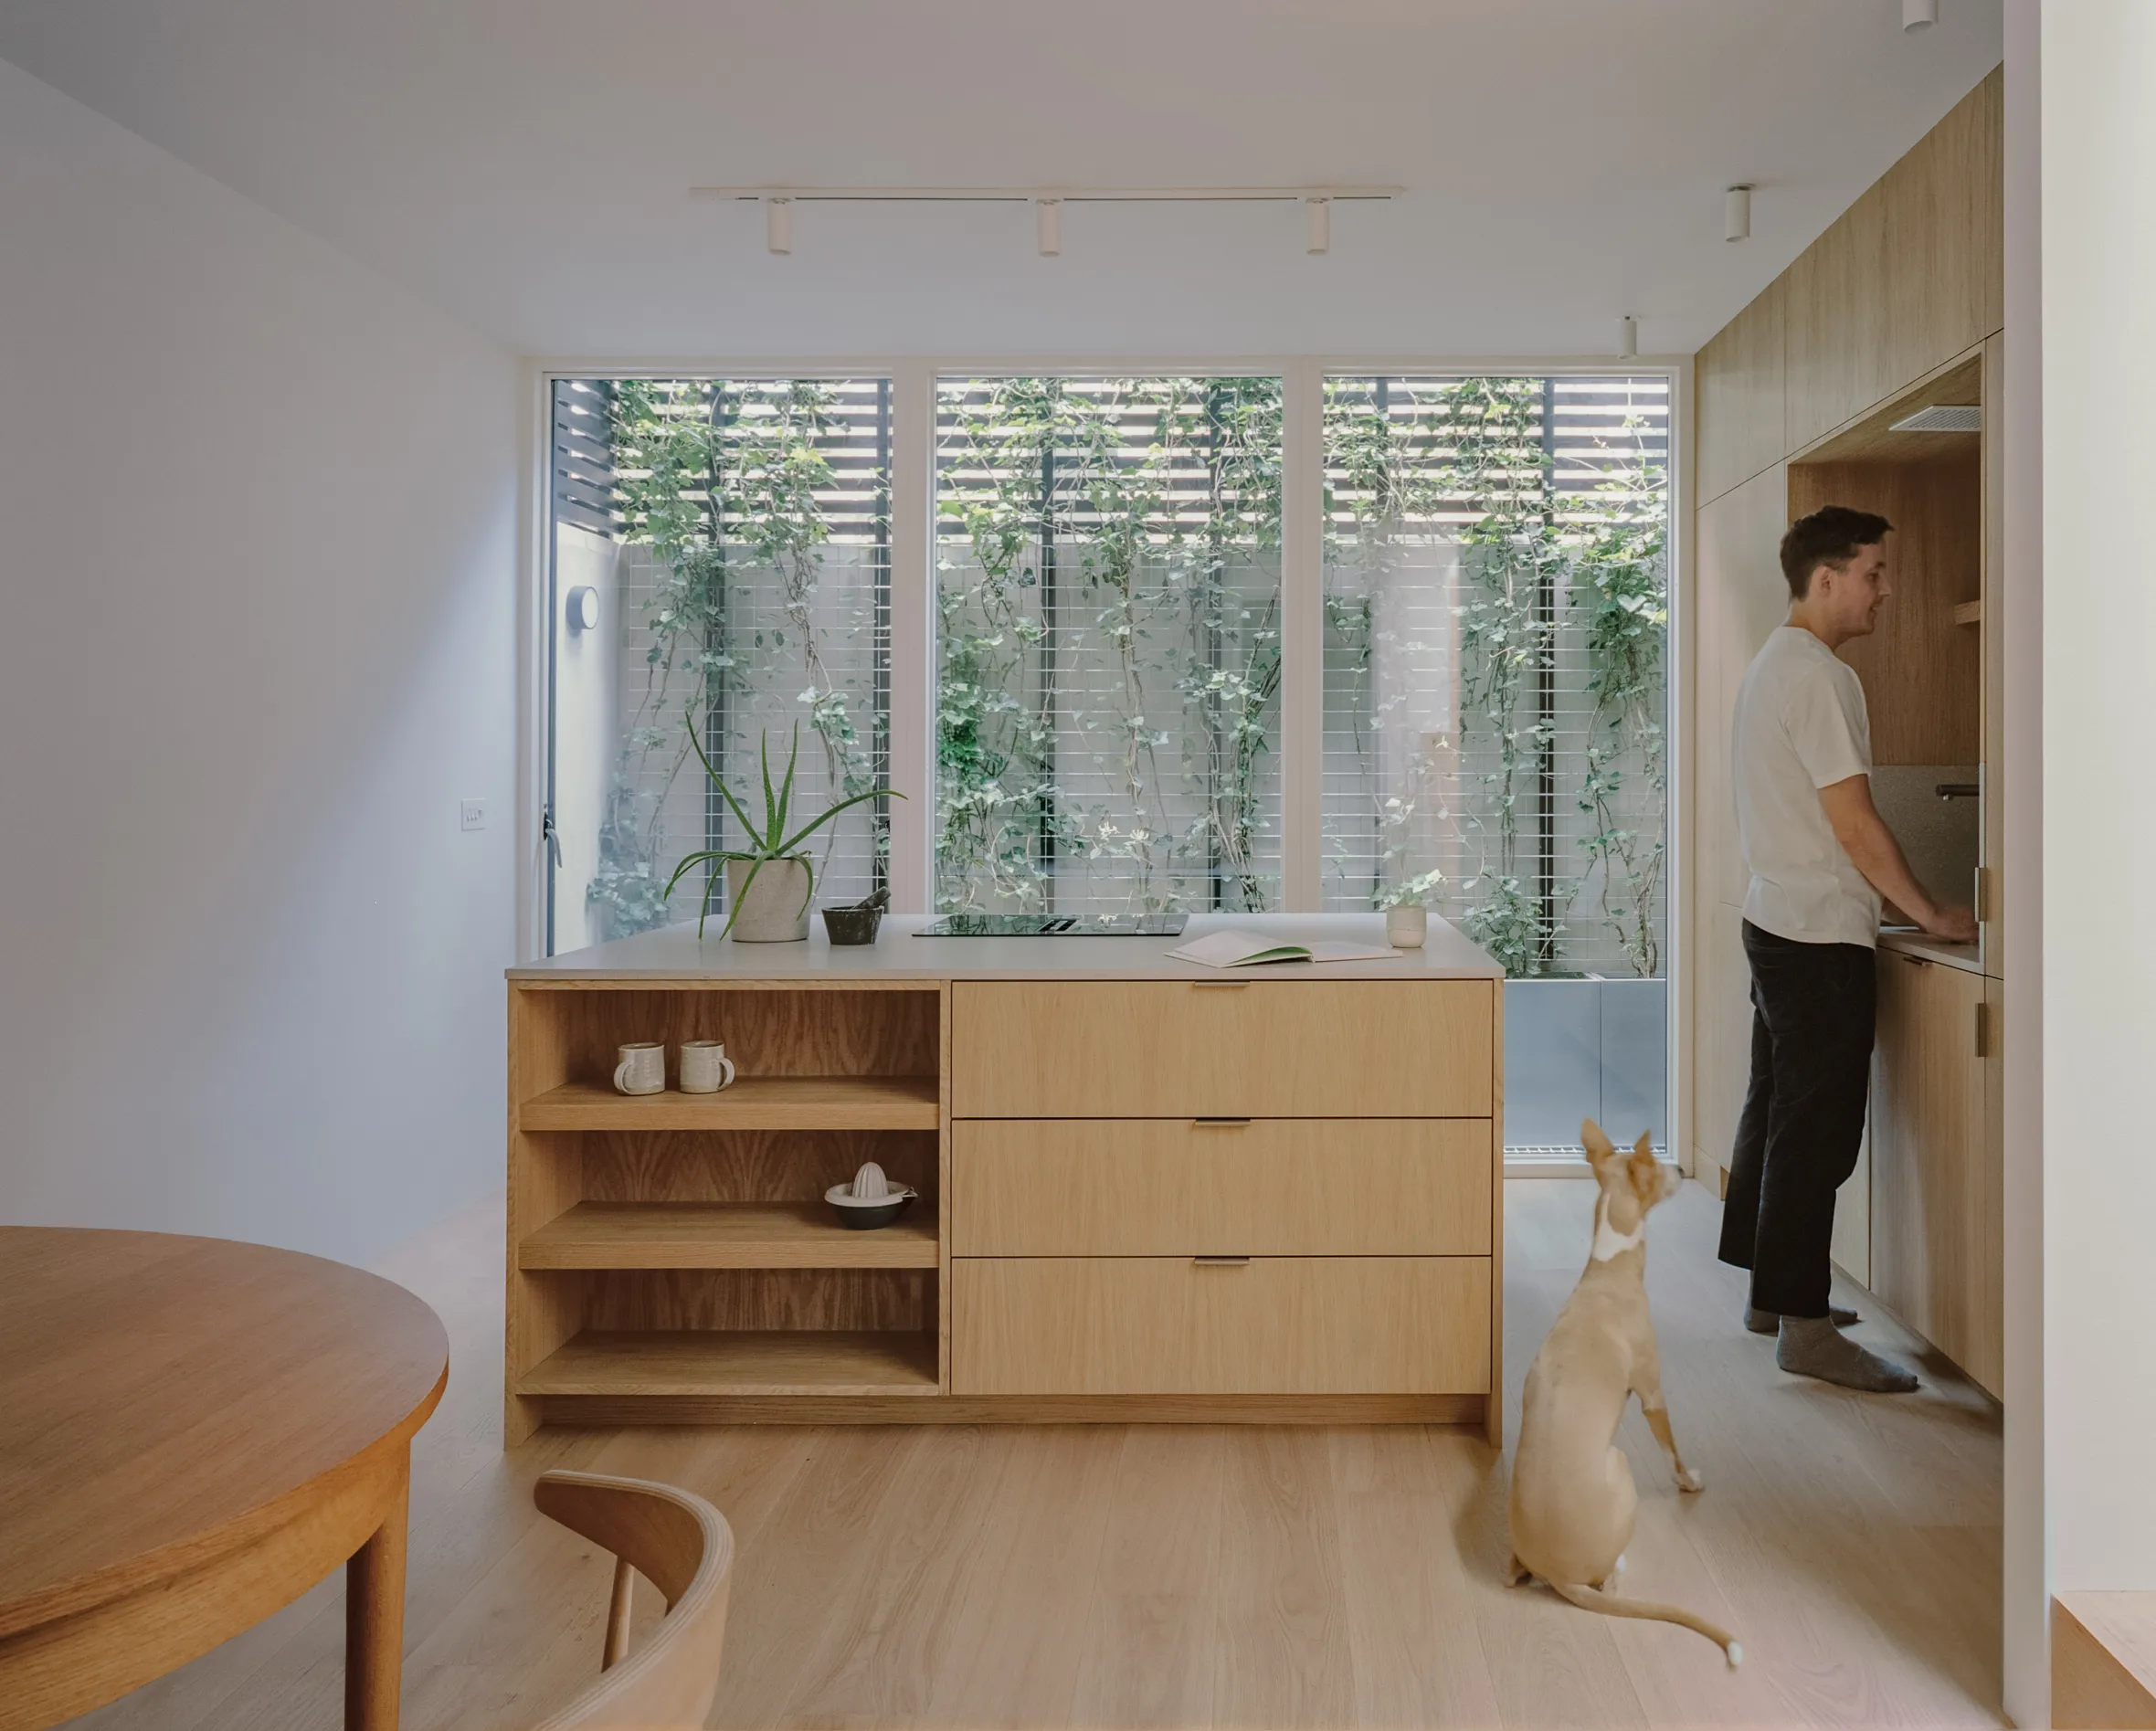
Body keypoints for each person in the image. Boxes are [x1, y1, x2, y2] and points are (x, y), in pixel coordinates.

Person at [1717, 505, 1978, 1393]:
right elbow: (1855, 823)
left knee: (1776, 1105)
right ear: (1823, 578)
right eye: (1871, 571)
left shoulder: (1767, 664)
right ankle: (1803, 1325)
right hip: (1816, 931)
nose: (1884, 589)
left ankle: (1770, 1291)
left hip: (1771, 917)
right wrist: (1931, 911)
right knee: (1815, 1131)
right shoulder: (1819, 677)